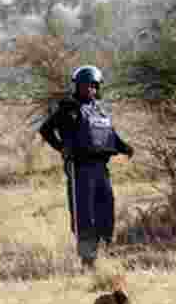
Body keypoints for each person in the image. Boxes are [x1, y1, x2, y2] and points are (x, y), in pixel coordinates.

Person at [39, 66, 134, 267]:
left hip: (101, 168)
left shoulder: (99, 110)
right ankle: (88, 258)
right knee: (84, 213)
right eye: (85, 85)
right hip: (79, 167)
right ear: (77, 86)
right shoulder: (69, 108)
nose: (89, 89)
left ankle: (105, 248)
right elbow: (45, 129)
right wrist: (61, 148)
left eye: (93, 86)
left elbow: (111, 136)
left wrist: (124, 147)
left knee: (106, 207)